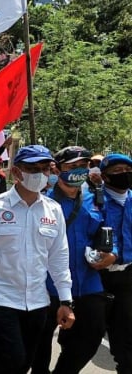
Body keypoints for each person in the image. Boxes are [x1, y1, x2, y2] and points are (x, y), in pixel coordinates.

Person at [0, 145, 75, 374]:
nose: (40, 174)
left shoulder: (53, 210)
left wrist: (66, 301)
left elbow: (59, 258)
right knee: (11, 357)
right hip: (0, 297)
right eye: (32, 168)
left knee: (24, 363)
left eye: (45, 168)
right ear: (16, 172)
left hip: (37, 300)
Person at [32, 146, 116, 373]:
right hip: (47, 284)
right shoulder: (42, 203)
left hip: (88, 281)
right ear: (57, 169)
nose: (79, 171)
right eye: (72, 167)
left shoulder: (97, 199)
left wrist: (111, 253)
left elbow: (109, 233)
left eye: (83, 166)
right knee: (40, 340)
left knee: (91, 335)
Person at [98, 153, 132, 373]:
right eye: (117, 171)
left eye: (127, 170)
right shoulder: (91, 200)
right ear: (104, 176)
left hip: (127, 277)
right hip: (97, 278)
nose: (124, 175)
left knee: (125, 338)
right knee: (85, 337)